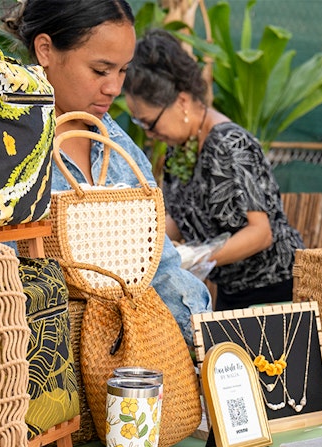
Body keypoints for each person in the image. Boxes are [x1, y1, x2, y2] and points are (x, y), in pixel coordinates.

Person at [0, 0, 211, 345]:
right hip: (36, 374)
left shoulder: (121, 151)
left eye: (123, 71)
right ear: (45, 50)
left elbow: (161, 272)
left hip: (123, 367)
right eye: (100, 70)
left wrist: (207, 343)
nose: (114, 87)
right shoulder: (4, 149)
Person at [122, 30, 304, 311]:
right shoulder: (179, 148)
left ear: (181, 101)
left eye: (150, 123)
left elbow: (261, 233)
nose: (149, 134)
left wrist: (198, 255)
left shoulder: (231, 144)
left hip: (276, 288)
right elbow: (179, 219)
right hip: (230, 289)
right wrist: (142, 243)